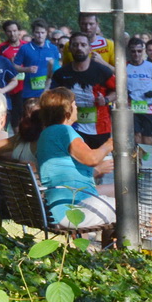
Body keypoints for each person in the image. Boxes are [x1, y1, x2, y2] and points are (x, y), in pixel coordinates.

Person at [35, 87, 117, 227]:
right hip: (73, 209)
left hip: (60, 206)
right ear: (67, 111)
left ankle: (112, 241)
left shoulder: (47, 133)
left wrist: (98, 168)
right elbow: (91, 159)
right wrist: (109, 145)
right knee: (135, 209)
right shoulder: (64, 131)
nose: (77, 108)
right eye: (75, 104)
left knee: (120, 191)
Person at [52, 33, 116, 152]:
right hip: (72, 126)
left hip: (100, 127)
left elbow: (119, 90)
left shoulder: (102, 71)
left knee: (98, 161)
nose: (79, 48)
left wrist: (106, 100)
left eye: (83, 45)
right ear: (69, 49)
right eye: (75, 45)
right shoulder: (61, 74)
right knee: (76, 159)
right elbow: (53, 97)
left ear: (90, 48)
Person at [123, 36, 152, 150]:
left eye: (139, 51)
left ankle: (144, 154)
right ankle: (137, 159)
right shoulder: (125, 67)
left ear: (143, 51)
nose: (136, 54)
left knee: (147, 138)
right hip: (132, 106)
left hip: (147, 106)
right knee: (136, 136)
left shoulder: (150, 66)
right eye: (133, 51)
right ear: (129, 51)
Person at [15, 21, 62, 108]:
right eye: (37, 32)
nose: (40, 35)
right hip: (30, 93)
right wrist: (26, 69)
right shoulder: (25, 48)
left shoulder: (53, 48)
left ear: (46, 33)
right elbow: (14, 66)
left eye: (42, 33)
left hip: (49, 93)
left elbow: (58, 67)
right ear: (33, 33)